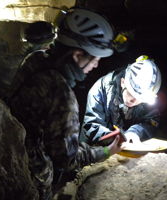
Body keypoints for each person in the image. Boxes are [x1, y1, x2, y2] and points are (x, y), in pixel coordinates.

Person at [7, 8, 124, 200]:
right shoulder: (62, 95)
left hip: (11, 147)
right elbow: (67, 160)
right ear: (77, 55)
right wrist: (106, 151)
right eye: (95, 59)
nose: (95, 66)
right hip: (31, 175)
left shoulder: (35, 58)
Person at [80, 55, 162, 146]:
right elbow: (92, 125)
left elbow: (151, 121)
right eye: (131, 94)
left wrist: (135, 133)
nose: (134, 101)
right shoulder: (100, 89)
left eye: (140, 99)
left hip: (126, 148)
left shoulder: (147, 95)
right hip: (91, 149)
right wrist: (116, 138)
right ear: (123, 82)